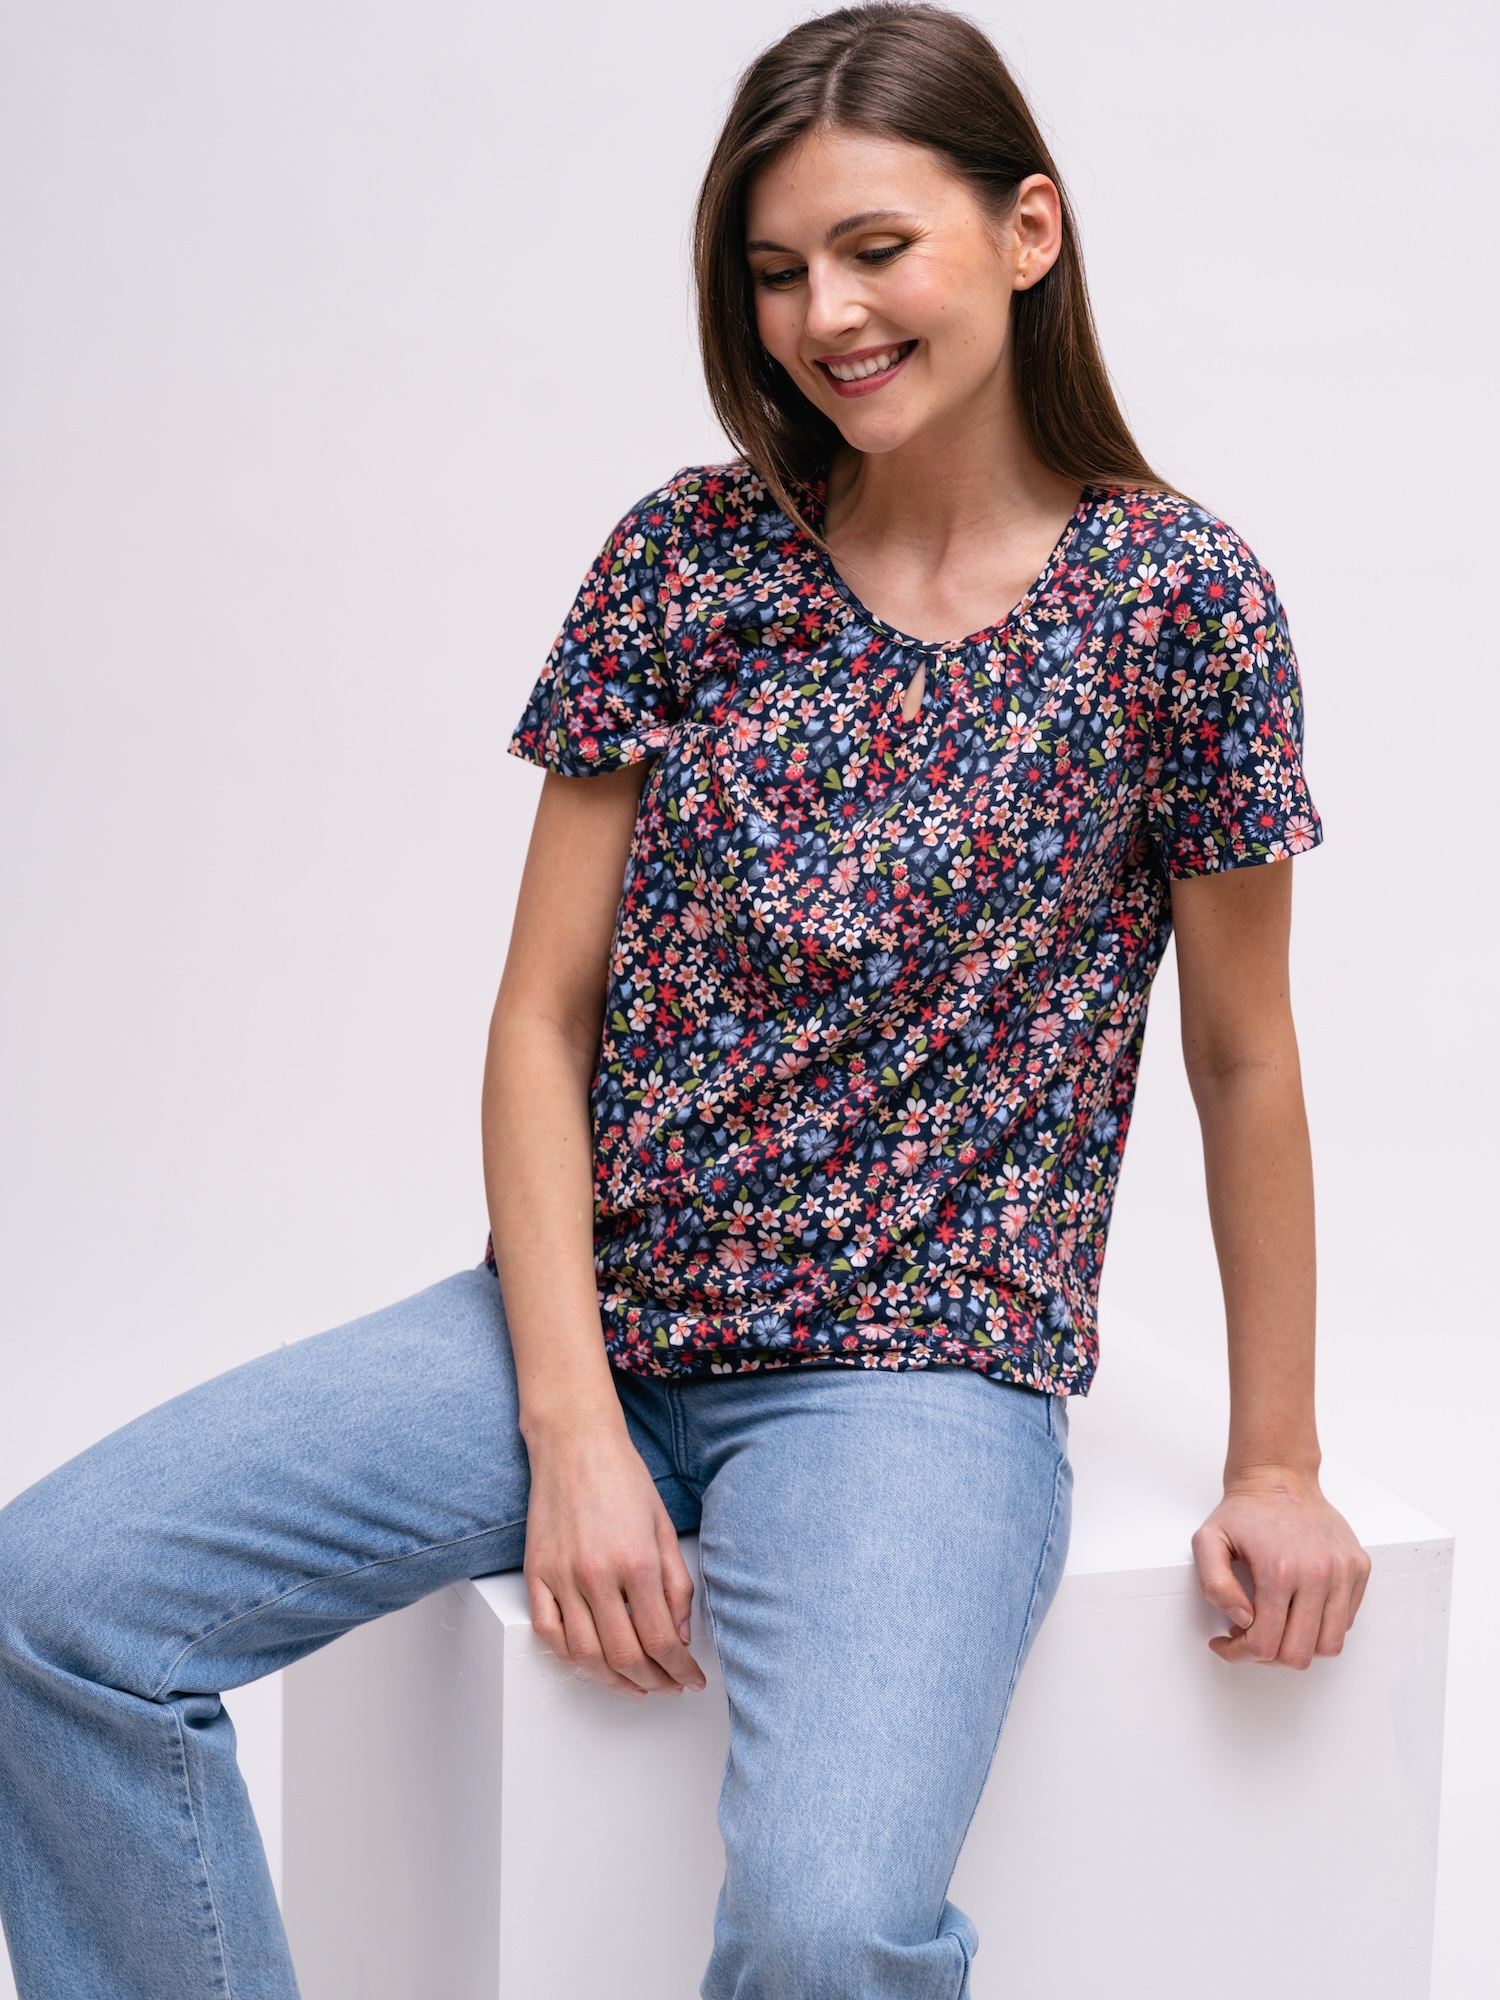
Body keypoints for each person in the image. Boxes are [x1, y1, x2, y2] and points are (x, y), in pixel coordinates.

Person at [0, 6, 1371, 1997]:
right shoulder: (686, 558)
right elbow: (540, 1020)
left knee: (824, 1922)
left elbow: (1245, 1055)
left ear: (1028, 230)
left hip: (914, 1378)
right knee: (54, 1605)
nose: (827, 314)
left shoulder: (1184, 604)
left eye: (877, 249)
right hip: (588, 1318)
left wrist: (1278, 1460)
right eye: (778, 269)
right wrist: (573, 1426)